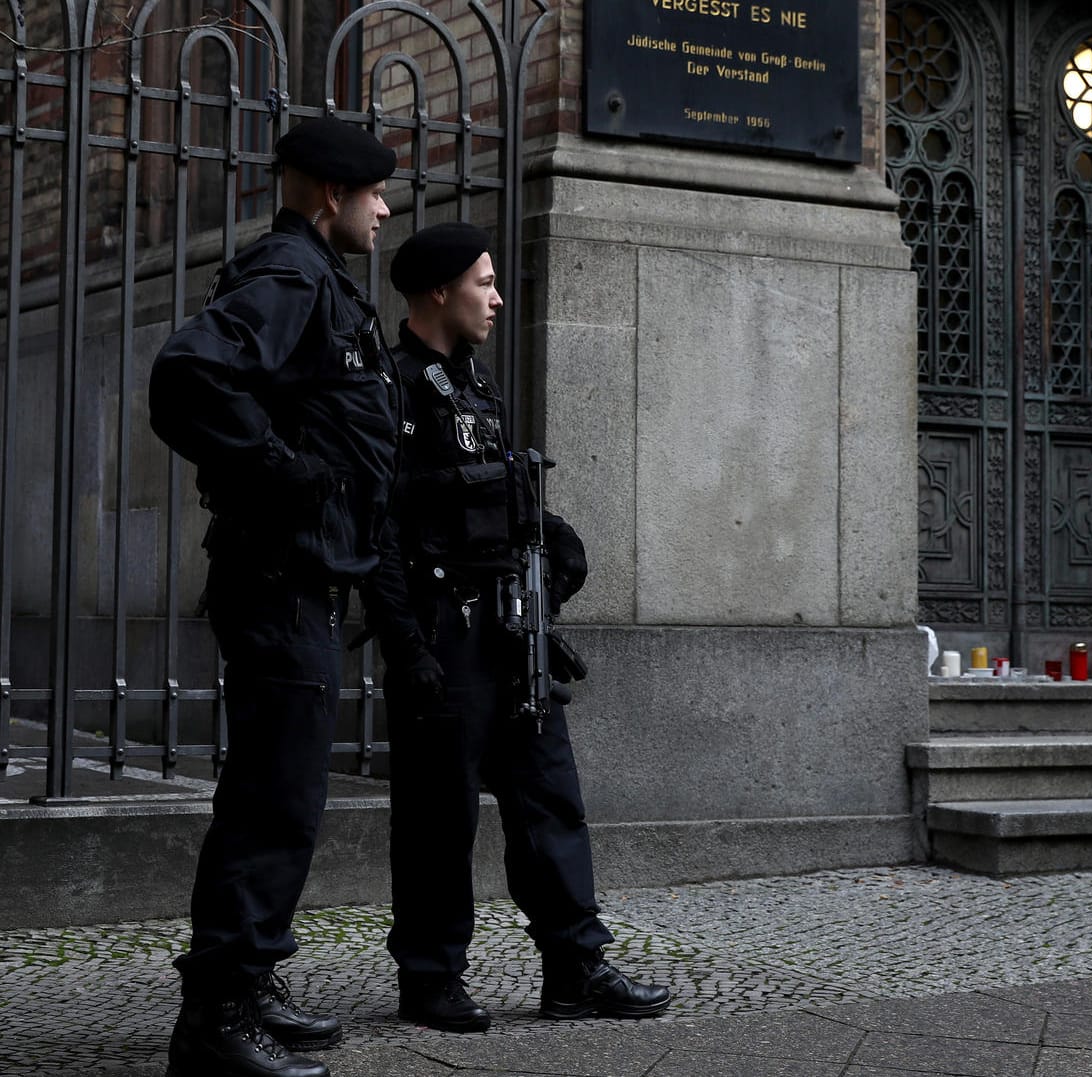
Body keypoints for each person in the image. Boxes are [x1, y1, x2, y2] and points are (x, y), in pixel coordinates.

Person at [148, 116, 406, 1077]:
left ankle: (248, 985)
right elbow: (188, 374)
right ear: (328, 195)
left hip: (301, 575)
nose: (384, 208)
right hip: (278, 575)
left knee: (280, 796)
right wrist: (282, 471)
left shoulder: (319, 281)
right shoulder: (292, 275)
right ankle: (216, 1020)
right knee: (273, 801)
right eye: (372, 192)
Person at [369, 221, 671, 1033]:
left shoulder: (475, 381)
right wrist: (406, 647)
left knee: (550, 799)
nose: (497, 297)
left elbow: (495, 492)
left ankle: (574, 968)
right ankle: (431, 978)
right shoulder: (392, 388)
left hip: (509, 627)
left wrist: (548, 530)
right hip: (442, 630)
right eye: (483, 282)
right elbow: (381, 534)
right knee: (439, 819)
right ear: (439, 291)